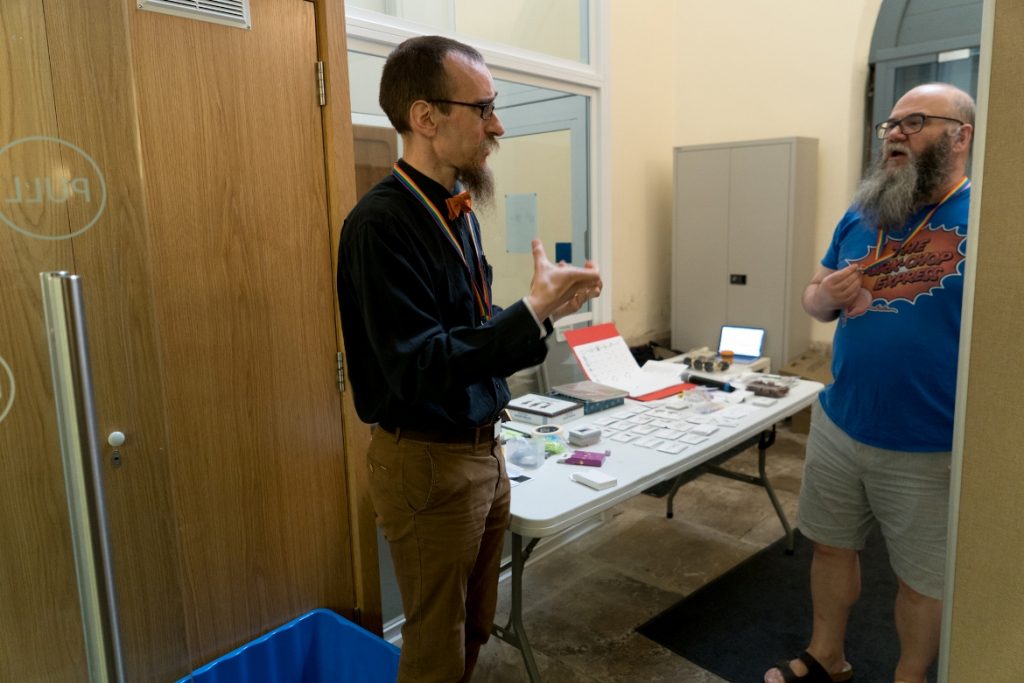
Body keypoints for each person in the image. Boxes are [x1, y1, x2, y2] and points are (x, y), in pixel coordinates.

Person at [336, 36, 602, 683]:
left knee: (476, 625)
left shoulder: (459, 213)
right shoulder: (379, 225)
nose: (497, 124)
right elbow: (418, 364)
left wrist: (542, 313)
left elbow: (470, 335)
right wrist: (528, 313)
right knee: (436, 642)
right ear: (426, 117)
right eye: (482, 107)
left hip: (484, 449)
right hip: (428, 460)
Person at [765, 82, 975, 683]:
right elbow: (813, 296)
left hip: (929, 438)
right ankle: (826, 656)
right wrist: (823, 297)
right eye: (891, 125)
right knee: (830, 547)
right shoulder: (863, 212)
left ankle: (909, 676)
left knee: (919, 580)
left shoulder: (986, 220)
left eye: (915, 122)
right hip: (842, 420)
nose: (895, 134)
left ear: (960, 137)